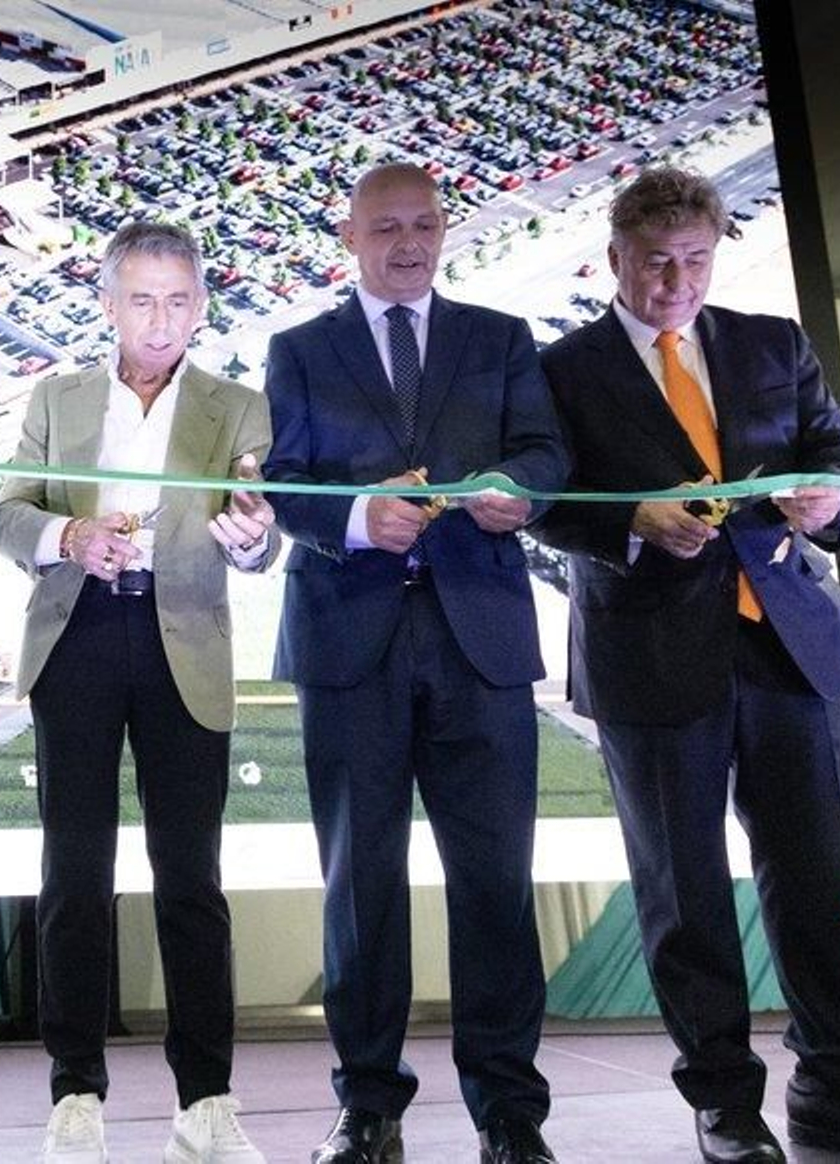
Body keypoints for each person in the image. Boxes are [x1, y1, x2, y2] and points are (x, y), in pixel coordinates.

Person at [527, 166, 840, 1164]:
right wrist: (631, 522)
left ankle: (837, 1087)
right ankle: (724, 1104)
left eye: (694, 260)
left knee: (814, 882)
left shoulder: (773, 342)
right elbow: (539, 499)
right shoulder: (562, 369)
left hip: (785, 646)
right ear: (614, 259)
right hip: (648, 656)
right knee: (685, 893)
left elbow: (839, 453)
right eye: (656, 262)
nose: (676, 281)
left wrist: (828, 498)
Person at [263, 162, 567, 1164]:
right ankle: (368, 1106)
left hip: (479, 641)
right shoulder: (298, 350)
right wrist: (359, 517)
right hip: (349, 640)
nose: (409, 244)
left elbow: (546, 454)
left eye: (425, 225)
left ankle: (509, 1113)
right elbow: (284, 484)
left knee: (495, 883)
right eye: (387, 227)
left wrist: (517, 489)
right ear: (348, 237)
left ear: (444, 230)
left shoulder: (500, 337)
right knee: (360, 886)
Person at [0, 222, 278, 1164]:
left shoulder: (238, 406)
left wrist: (253, 539)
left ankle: (207, 1100)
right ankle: (75, 1091)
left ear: (201, 308)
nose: (160, 320)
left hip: (182, 640)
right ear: (108, 304)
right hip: (76, 635)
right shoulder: (58, 397)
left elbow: (260, 532)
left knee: (190, 878)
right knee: (75, 876)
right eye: (142, 300)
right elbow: (7, 514)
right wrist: (69, 539)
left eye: (178, 301)